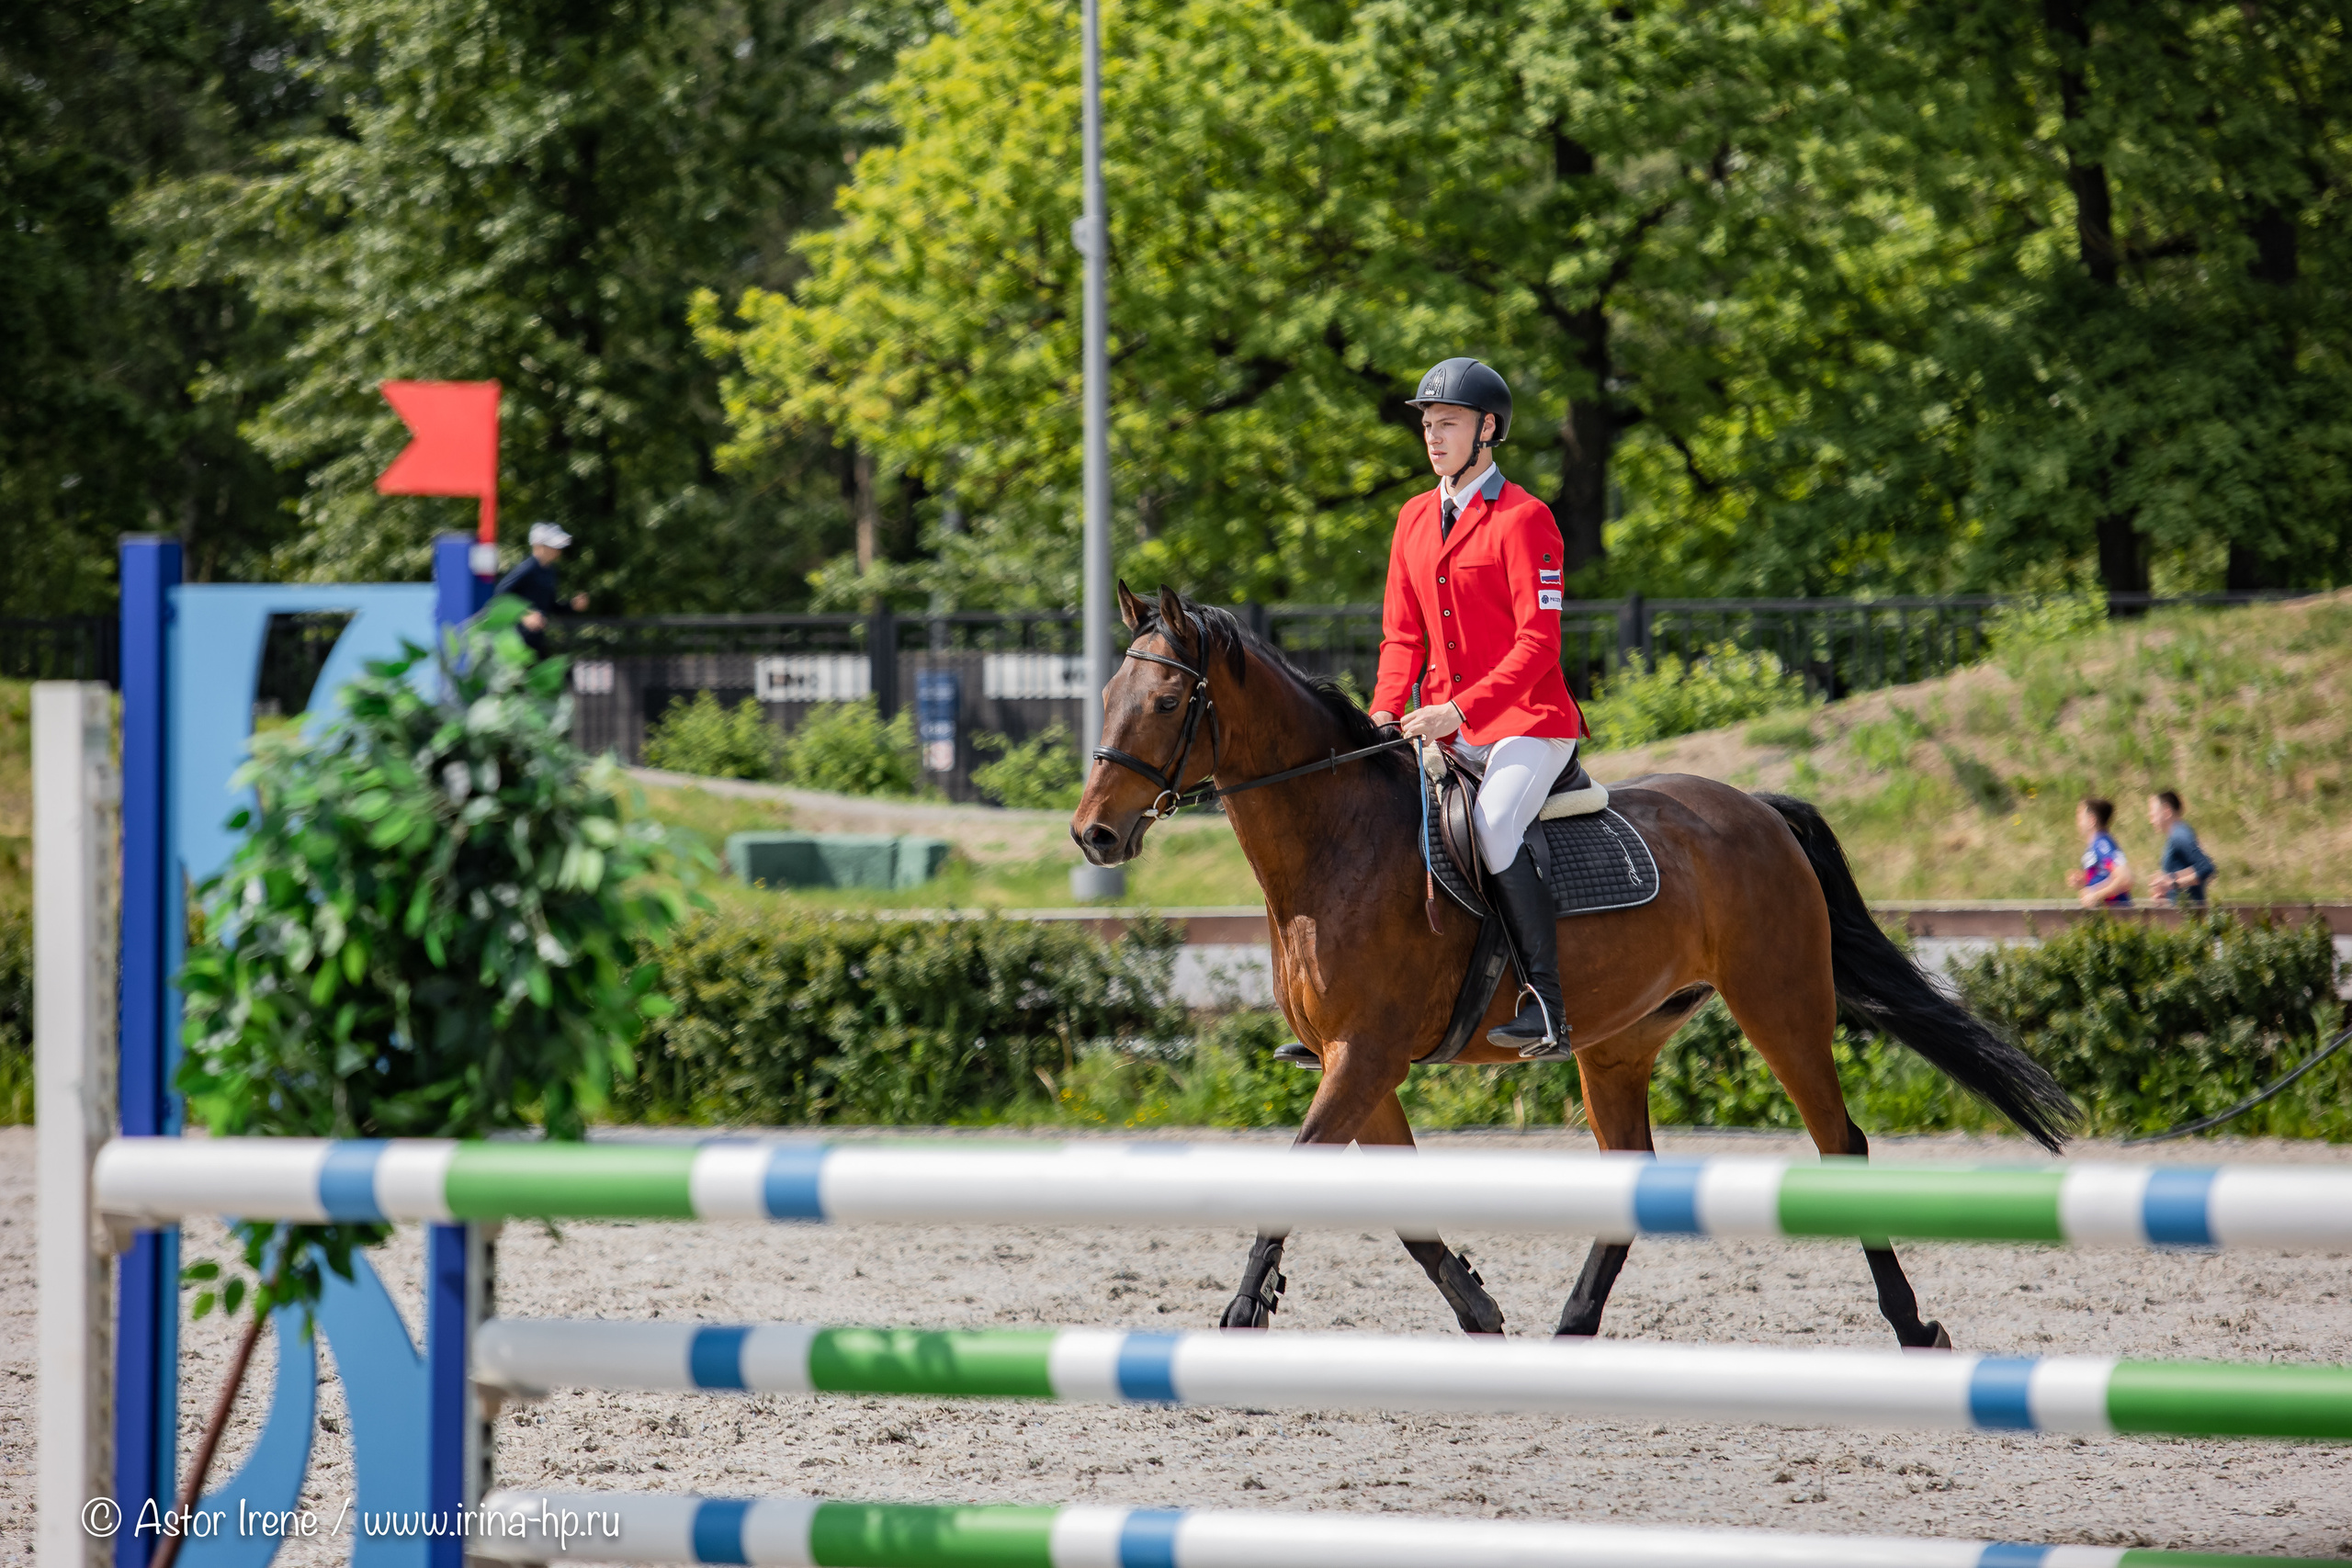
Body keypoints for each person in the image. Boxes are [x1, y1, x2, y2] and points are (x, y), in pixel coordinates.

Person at [1370, 357, 1585, 1057]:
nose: (1433, 437)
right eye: (1428, 425)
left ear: (1487, 429)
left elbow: (1538, 644)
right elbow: (1402, 637)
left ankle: (1546, 1004)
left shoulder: (1525, 518)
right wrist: (1383, 711)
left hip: (1528, 723)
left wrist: (1457, 710)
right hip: (1442, 726)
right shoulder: (1412, 518)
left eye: (1449, 424)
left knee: (1492, 824)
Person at [493, 521, 589, 654]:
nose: (558, 551)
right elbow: (500, 593)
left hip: (537, 640)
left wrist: (572, 606)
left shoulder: (550, 572)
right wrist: (524, 614)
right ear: (539, 546)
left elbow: (550, 606)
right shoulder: (527, 568)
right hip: (517, 641)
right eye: (554, 546)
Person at [2146, 789, 2216, 906]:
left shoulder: (2179, 836)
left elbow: (2205, 868)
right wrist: (2167, 888)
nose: (2151, 820)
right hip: (2183, 911)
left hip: (2189, 913)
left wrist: (2172, 883)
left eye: (2153, 814)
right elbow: (2194, 869)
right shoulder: (2178, 834)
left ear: (2167, 811)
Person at [2067, 795, 2132, 908]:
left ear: (2091, 820)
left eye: (2080, 817)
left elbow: (2125, 878)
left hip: (2117, 914)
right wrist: (2084, 880)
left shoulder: (2102, 844)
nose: (2077, 822)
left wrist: (2095, 895)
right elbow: (2105, 874)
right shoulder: (2096, 845)